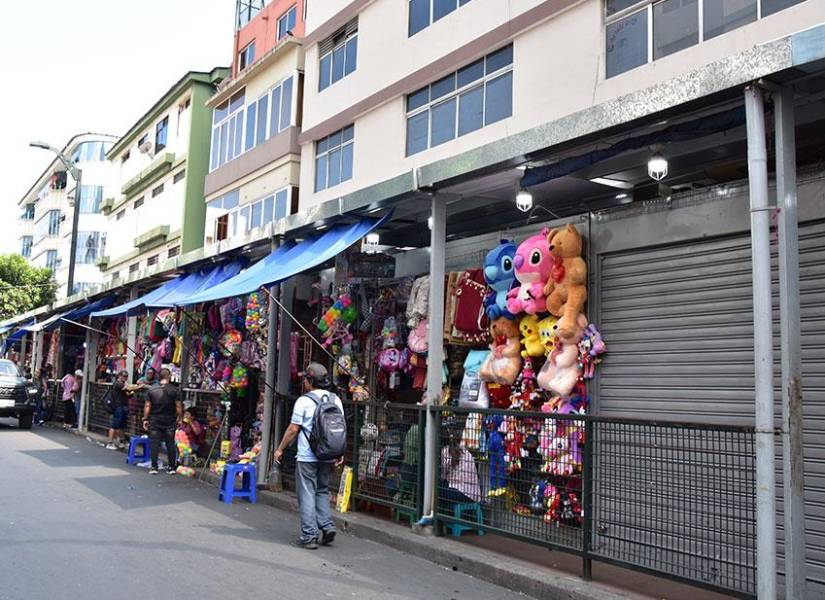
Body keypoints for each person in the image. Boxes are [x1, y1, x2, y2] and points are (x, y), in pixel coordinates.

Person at [273, 363, 344, 550]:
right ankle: (327, 526)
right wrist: (339, 453)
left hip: (307, 456)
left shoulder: (304, 401)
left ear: (310, 381)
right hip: (328, 455)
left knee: (306, 494)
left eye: (305, 378)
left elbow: (293, 429)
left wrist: (280, 448)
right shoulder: (336, 400)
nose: (303, 381)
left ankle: (309, 535)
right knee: (321, 491)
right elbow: (339, 429)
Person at [142, 368, 182, 475]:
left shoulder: (151, 390)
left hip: (155, 419)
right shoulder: (174, 390)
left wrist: (145, 418)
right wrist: (180, 418)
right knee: (170, 443)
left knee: (155, 443)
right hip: (170, 419)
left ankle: (154, 467)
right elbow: (178, 406)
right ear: (169, 377)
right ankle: (171, 467)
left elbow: (147, 405)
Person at [439, 430, 482, 513]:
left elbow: (442, 476)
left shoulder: (445, 451)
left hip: (462, 492)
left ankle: (440, 519)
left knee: (437, 490)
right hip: (475, 494)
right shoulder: (466, 452)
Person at [106, 370, 137, 450]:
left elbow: (129, 393)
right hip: (118, 407)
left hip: (124, 406)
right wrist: (139, 386)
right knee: (115, 425)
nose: (125, 377)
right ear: (119, 376)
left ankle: (121, 441)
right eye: (124, 376)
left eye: (126, 376)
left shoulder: (123, 384)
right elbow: (127, 388)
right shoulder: (117, 383)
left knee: (122, 425)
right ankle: (110, 442)